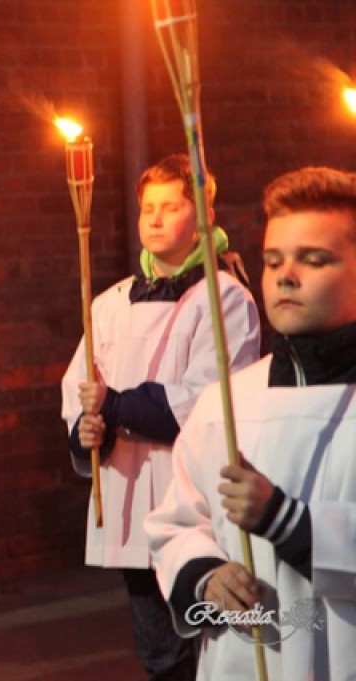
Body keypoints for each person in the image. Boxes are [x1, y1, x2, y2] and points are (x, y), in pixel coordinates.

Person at [146, 166, 356, 680]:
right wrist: (203, 575)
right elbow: (177, 522)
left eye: (314, 260)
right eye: (273, 260)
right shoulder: (227, 400)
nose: (286, 275)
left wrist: (287, 522)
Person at [60, 153, 262, 680]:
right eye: (147, 207)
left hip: (190, 501)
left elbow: (207, 401)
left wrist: (116, 405)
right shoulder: (107, 303)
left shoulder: (224, 299)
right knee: (159, 656)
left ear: (203, 216)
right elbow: (80, 389)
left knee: (215, 647)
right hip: (128, 497)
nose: (154, 218)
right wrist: (86, 431)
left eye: (170, 207)